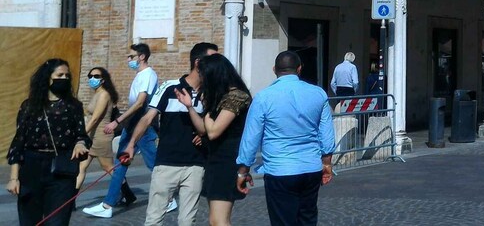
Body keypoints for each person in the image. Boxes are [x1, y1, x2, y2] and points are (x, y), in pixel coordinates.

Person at [117, 42, 218, 226]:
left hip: (195, 165)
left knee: (187, 221)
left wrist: (203, 135)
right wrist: (131, 145)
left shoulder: (212, 93)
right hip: (166, 163)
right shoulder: (170, 87)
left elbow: (215, 127)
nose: (218, 64)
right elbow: (147, 118)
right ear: (198, 63)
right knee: (154, 219)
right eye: (213, 59)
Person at [237, 51, 336, 226]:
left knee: (283, 221)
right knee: (308, 219)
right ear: (299, 69)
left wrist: (243, 170)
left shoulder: (263, 97)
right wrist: (326, 162)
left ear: (274, 69)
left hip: (280, 169)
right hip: (310, 167)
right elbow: (326, 133)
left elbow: (251, 137)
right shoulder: (318, 94)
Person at [6, 58, 91, 226]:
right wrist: (14, 178)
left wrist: (80, 144)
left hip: (62, 168)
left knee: (57, 221)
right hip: (31, 167)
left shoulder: (73, 106)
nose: (64, 79)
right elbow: (18, 143)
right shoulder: (29, 106)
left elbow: (81, 135)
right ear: (47, 78)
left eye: (67, 76)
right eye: (60, 75)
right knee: (29, 221)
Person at [84, 42, 159, 218]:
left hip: (142, 126)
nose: (128, 59)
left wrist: (117, 121)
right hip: (131, 125)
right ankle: (107, 204)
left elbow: (140, 103)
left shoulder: (148, 75)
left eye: (131, 56)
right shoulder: (139, 75)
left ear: (142, 57)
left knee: (154, 165)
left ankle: (169, 197)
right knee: (121, 163)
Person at [178, 53, 252, 226]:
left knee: (219, 221)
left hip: (227, 162)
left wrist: (208, 106)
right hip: (215, 160)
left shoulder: (236, 96)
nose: (202, 80)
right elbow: (203, 129)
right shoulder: (222, 96)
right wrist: (190, 107)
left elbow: (213, 131)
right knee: (214, 220)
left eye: (204, 75)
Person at [78, 67, 119, 191]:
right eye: (90, 76)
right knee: (81, 167)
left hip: (101, 136)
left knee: (108, 168)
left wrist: (81, 134)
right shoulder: (97, 93)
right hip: (92, 136)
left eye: (96, 76)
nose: (92, 79)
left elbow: (95, 118)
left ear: (103, 79)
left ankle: (126, 192)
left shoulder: (104, 95)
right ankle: (71, 199)